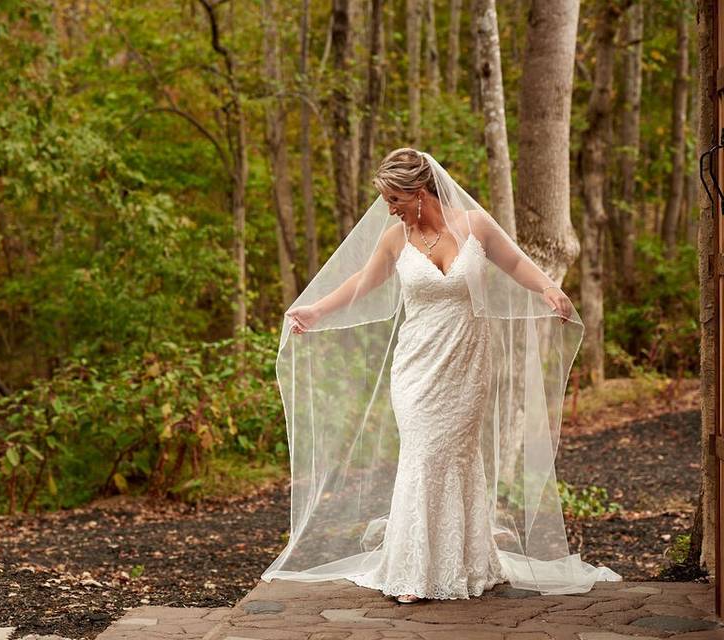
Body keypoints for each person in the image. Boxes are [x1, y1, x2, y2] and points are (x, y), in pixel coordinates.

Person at [260, 148, 620, 604]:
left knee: (457, 456)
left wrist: (549, 288)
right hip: (415, 366)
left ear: (419, 191)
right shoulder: (394, 238)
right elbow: (361, 284)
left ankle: (468, 562)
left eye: (394, 197)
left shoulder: (475, 225)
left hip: (468, 361)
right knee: (423, 451)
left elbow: (516, 264)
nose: (388, 207)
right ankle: (414, 569)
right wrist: (316, 309)